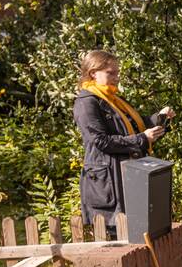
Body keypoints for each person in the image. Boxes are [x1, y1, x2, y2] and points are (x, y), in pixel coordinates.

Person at [73, 50, 174, 231]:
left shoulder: (113, 99)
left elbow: (135, 126)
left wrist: (159, 118)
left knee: (138, 234)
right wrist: (142, 138)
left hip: (128, 175)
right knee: (118, 237)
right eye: (110, 73)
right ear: (93, 73)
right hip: (108, 183)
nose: (116, 77)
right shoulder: (87, 102)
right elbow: (101, 141)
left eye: (117, 73)